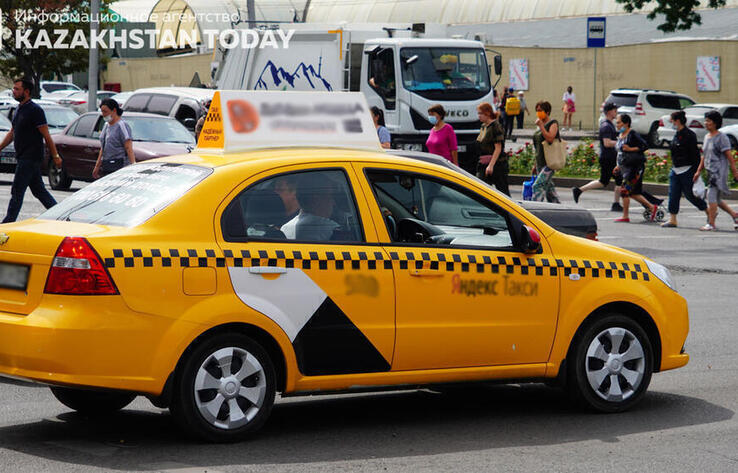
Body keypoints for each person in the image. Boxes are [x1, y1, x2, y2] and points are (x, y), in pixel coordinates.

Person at [0, 78, 62, 223]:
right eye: (13, 89)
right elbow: (13, 133)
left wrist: (56, 156)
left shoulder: (35, 110)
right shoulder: (19, 109)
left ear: (26, 92)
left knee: (17, 190)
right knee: (39, 190)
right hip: (23, 156)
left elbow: (46, 136)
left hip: (31, 157)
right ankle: (60, 217)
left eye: (17, 89)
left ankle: (7, 223)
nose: (13, 92)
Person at [661, 110, 707, 228]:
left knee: (690, 195)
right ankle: (673, 219)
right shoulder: (677, 134)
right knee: (673, 193)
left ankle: (708, 211)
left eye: (672, 121)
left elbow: (695, 154)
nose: (671, 123)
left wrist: (697, 171)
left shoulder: (689, 135)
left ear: (678, 121)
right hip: (676, 170)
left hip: (687, 169)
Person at [572, 103, 622, 210]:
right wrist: (620, 142)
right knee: (613, 180)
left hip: (609, 157)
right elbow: (607, 143)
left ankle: (579, 190)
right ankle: (616, 204)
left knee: (607, 181)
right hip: (608, 158)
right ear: (609, 112)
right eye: (614, 110)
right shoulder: (606, 126)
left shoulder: (608, 124)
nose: (616, 112)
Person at [693, 110, 738, 231]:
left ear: (715, 123)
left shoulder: (721, 137)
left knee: (711, 196)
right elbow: (704, 155)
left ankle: (711, 224)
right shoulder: (707, 137)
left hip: (719, 172)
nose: (706, 123)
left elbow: (729, 156)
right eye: (706, 120)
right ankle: (735, 216)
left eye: (708, 121)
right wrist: (698, 171)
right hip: (710, 171)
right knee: (717, 199)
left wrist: (735, 172)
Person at [613, 114, 657, 223]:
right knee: (633, 193)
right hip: (625, 166)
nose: (617, 125)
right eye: (617, 122)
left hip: (635, 167)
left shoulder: (632, 134)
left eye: (619, 122)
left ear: (626, 123)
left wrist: (631, 148)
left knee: (624, 190)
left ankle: (625, 216)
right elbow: (620, 152)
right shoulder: (621, 134)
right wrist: (618, 165)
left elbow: (644, 146)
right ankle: (652, 207)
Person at [281, 175, 340, 240]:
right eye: (330, 196)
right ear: (316, 200)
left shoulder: (285, 228)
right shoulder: (331, 229)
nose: (333, 202)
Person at [92, 98, 136, 179]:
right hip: (107, 164)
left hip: (120, 165)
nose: (103, 114)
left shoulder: (122, 125)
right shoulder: (106, 125)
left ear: (114, 110)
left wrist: (133, 165)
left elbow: (128, 147)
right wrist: (97, 166)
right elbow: (103, 147)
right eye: (102, 111)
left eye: (105, 111)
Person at [475, 102, 509, 196]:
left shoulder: (495, 126)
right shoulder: (483, 126)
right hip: (483, 163)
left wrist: (491, 165)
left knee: (503, 192)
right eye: (478, 113)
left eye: (481, 113)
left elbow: (498, 148)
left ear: (488, 113)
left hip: (497, 164)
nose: (479, 116)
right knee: (482, 191)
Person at [531, 101, 561, 203]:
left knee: (538, 186)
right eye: (537, 111)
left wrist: (541, 127)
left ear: (547, 112)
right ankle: (557, 207)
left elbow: (550, 139)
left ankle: (535, 210)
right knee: (549, 188)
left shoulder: (553, 123)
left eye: (541, 110)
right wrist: (535, 164)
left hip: (549, 163)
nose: (538, 113)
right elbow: (537, 147)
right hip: (540, 161)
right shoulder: (540, 125)